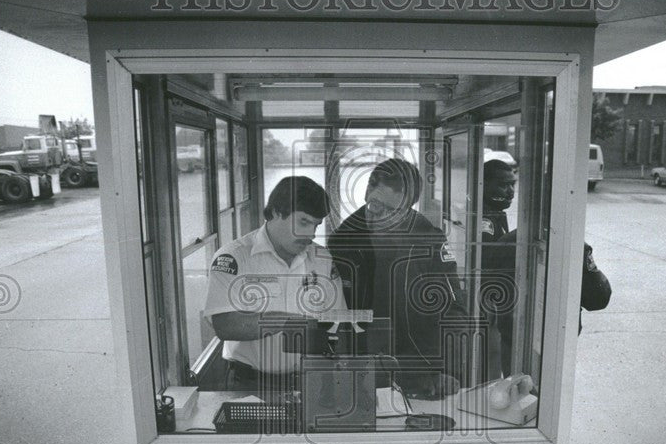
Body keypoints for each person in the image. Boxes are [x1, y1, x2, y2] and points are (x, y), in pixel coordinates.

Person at [327, 158, 494, 399]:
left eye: (394, 211)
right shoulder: (342, 242)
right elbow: (332, 313)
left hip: (421, 367)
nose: (381, 217)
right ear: (366, 192)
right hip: (361, 364)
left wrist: (448, 370)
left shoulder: (430, 239)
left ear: (409, 208)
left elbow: (454, 310)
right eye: (375, 205)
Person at [203, 176, 346, 392]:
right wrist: (288, 321)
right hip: (247, 383)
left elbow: (339, 320)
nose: (311, 234)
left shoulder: (322, 258)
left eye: (316, 225)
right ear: (277, 212)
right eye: (303, 222)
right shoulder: (234, 257)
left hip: (309, 380)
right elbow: (225, 326)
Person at [478, 157, 611, 375]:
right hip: (546, 339)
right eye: (505, 185)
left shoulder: (511, 239)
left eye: (514, 185)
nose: (511, 191)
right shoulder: (572, 247)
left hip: (514, 333)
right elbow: (599, 298)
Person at [481, 158, 518, 242]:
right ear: (484, 186)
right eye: (504, 185)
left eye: (512, 184)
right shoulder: (485, 219)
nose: (511, 191)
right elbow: (489, 252)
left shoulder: (495, 213)